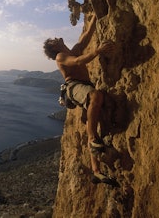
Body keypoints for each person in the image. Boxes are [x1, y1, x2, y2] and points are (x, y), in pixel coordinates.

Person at [43, 14, 116, 185]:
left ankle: (96, 171)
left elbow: (86, 36)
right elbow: (76, 62)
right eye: (55, 40)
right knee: (95, 95)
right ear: (55, 47)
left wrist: (95, 16)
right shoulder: (61, 56)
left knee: (94, 118)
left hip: (82, 85)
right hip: (74, 87)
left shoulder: (72, 50)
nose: (58, 38)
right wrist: (98, 51)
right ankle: (92, 136)